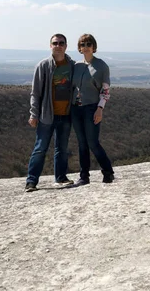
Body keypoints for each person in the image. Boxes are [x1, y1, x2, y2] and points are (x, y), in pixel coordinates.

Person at [25, 34, 75, 192]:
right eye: (55, 43)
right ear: (50, 45)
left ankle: (60, 178)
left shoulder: (72, 65)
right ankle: (31, 181)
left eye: (61, 43)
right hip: (47, 115)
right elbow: (35, 92)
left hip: (66, 114)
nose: (58, 45)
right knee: (40, 148)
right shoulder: (43, 65)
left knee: (62, 148)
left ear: (66, 46)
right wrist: (34, 114)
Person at [71, 34, 114, 185]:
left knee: (93, 142)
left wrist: (100, 108)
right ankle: (84, 176)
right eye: (83, 44)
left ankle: (108, 172)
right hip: (76, 109)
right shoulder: (76, 66)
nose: (86, 47)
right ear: (79, 47)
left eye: (89, 44)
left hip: (92, 108)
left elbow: (105, 90)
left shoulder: (101, 66)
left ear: (94, 47)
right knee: (81, 143)